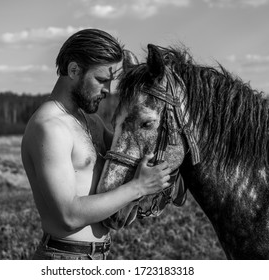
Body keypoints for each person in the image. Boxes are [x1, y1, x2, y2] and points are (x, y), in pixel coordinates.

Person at [21, 28, 172, 260]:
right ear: (74, 70)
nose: (107, 90)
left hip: (98, 256)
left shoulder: (92, 121)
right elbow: (68, 215)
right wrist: (138, 187)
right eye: (101, 80)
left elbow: (136, 152)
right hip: (65, 258)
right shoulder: (49, 127)